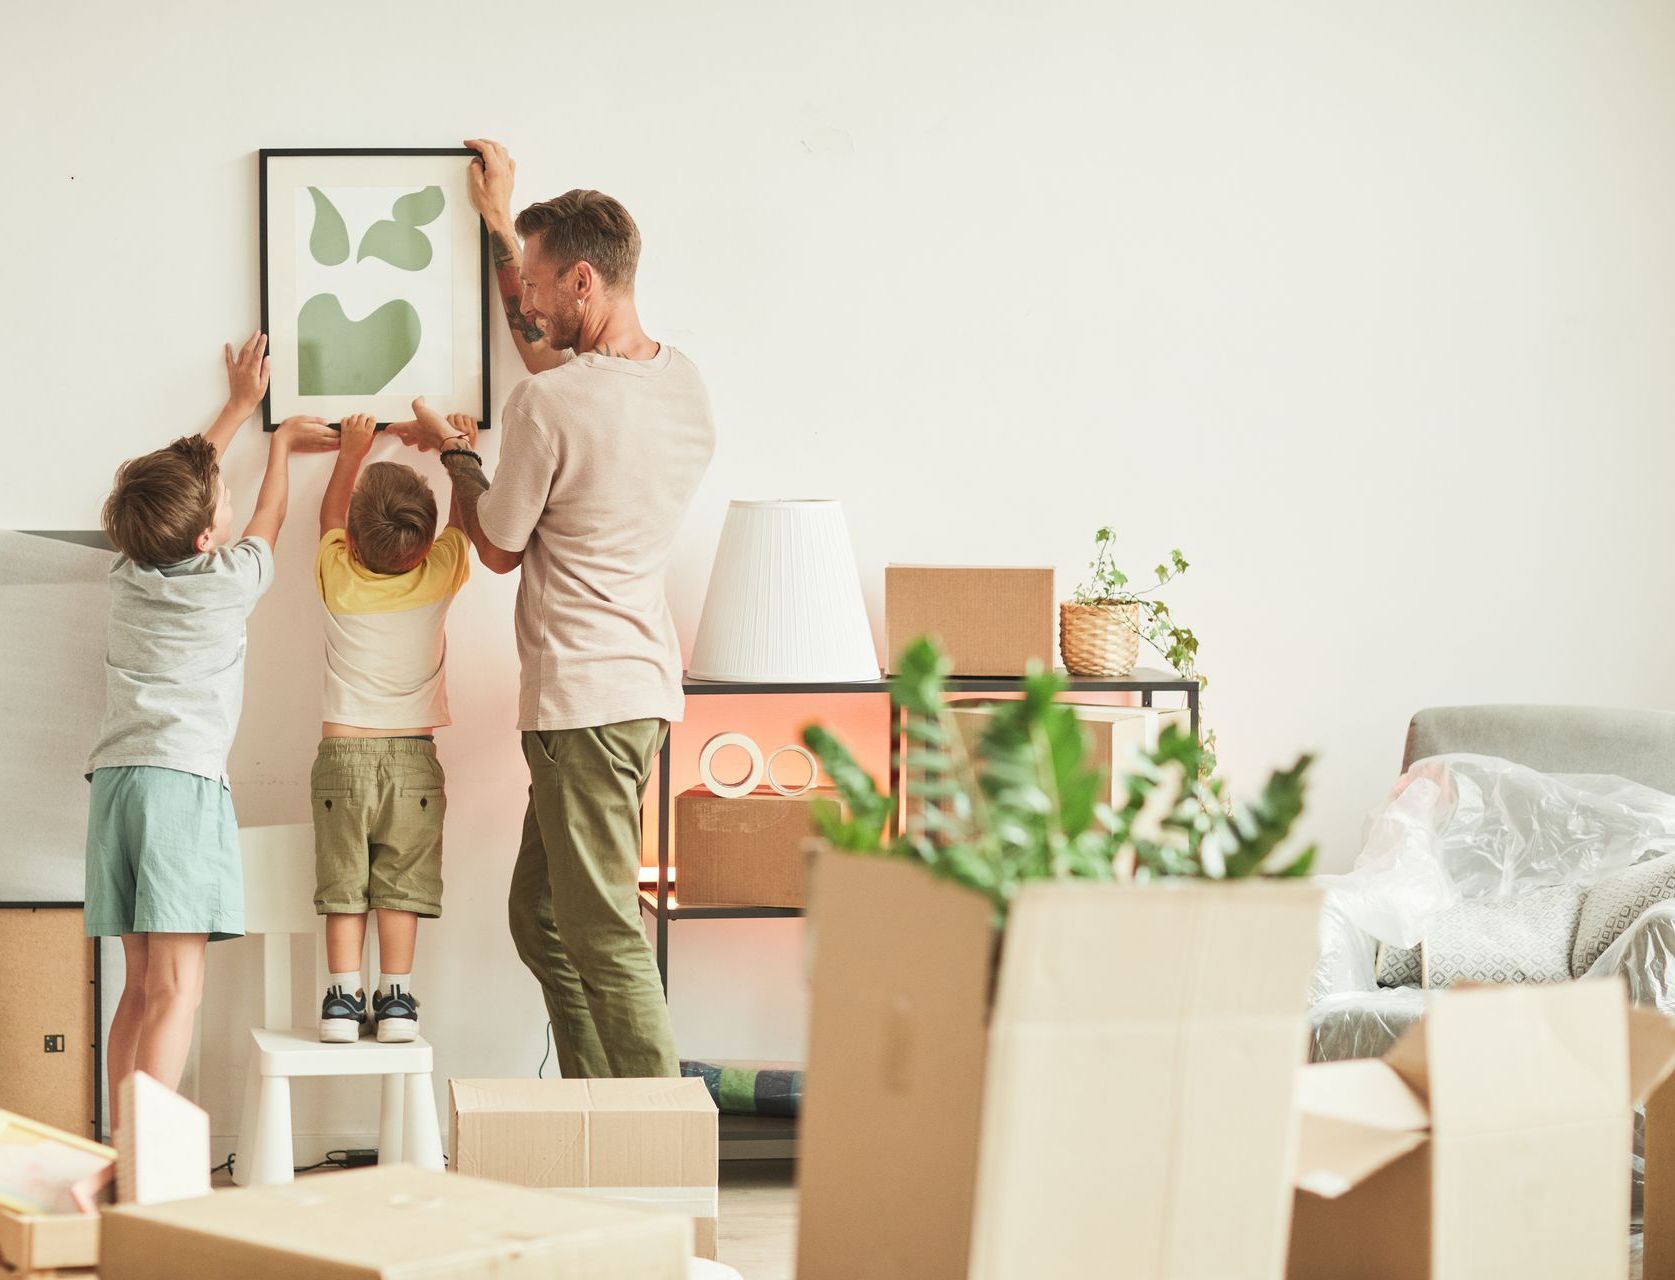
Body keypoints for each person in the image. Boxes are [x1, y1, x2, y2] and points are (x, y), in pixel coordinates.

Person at [388, 139, 715, 1078]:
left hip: (583, 701)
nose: (522, 300)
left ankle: (660, 1159)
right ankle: (595, 1112)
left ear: (581, 280)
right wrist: (499, 223)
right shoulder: (682, 383)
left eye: (533, 281)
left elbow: (493, 545)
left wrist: (454, 454)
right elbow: (550, 368)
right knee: (542, 917)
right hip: (637, 691)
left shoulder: (549, 410)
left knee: (604, 932)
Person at [85, 332, 337, 1127]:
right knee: (179, 989)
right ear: (204, 539)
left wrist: (236, 408)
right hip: (180, 788)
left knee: (138, 986)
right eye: (215, 501)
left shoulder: (126, 572)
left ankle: (123, 1149)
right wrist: (283, 451)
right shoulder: (229, 582)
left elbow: (189, 485)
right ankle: (150, 1163)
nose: (227, 499)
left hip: (116, 789)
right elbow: (268, 516)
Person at [309, 410, 475, 1043]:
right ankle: (398, 1000)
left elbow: (329, 515)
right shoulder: (439, 573)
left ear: (352, 540)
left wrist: (351, 452)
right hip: (413, 759)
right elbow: (462, 524)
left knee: (344, 882)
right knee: (401, 884)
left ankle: (342, 999)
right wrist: (459, 452)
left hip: (342, 755)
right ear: (425, 545)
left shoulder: (336, 574)